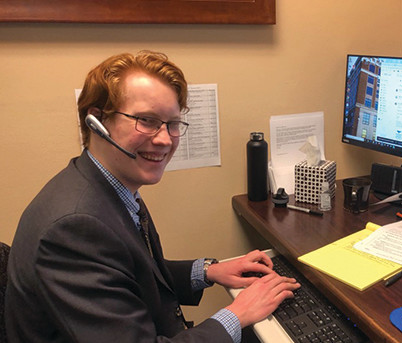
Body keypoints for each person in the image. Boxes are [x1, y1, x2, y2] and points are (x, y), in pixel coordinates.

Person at [5, 50, 300, 342]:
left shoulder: (103, 185)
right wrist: (237, 314)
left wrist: (208, 272)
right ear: (96, 122)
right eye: (146, 120)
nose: (164, 139)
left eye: (172, 124)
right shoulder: (73, 228)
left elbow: (130, 273)